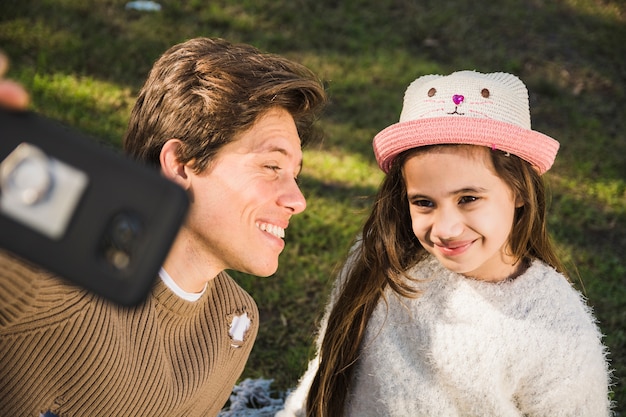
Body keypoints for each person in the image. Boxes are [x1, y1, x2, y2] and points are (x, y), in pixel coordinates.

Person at [0, 38, 326, 416]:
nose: (297, 200)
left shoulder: (235, 318)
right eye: (272, 167)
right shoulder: (54, 275)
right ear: (182, 164)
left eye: (294, 175)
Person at [278, 71, 612, 417]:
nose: (446, 229)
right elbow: (326, 372)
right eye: (424, 202)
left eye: (468, 198)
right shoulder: (381, 257)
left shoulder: (558, 331)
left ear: (519, 192)